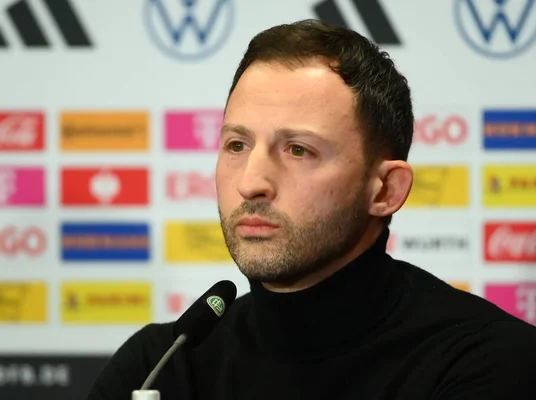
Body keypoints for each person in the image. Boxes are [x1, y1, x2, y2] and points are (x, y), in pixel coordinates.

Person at [87, 19, 536, 399]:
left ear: (385, 190)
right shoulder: (161, 368)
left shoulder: (486, 363)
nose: (251, 182)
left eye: (299, 149)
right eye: (237, 144)